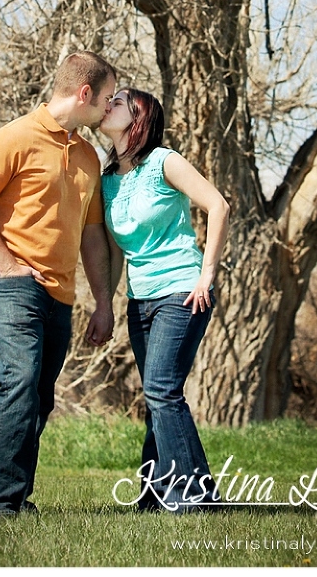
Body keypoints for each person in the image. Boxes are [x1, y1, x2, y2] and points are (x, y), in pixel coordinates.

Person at [0, 50, 117, 516]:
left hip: (61, 295)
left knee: (39, 396)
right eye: (107, 99)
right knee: (20, 379)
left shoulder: (88, 156)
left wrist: (102, 302)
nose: (109, 108)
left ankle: (16, 496)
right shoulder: (14, 137)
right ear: (83, 94)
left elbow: (91, 236)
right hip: (13, 283)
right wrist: (6, 265)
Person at [98, 88, 230, 512]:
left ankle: (194, 497)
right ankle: (154, 497)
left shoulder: (163, 161)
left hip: (182, 291)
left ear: (138, 118)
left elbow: (218, 205)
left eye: (118, 102)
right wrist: (106, 304)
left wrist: (206, 276)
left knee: (161, 390)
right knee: (159, 395)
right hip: (141, 300)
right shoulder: (107, 181)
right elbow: (117, 251)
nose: (108, 106)